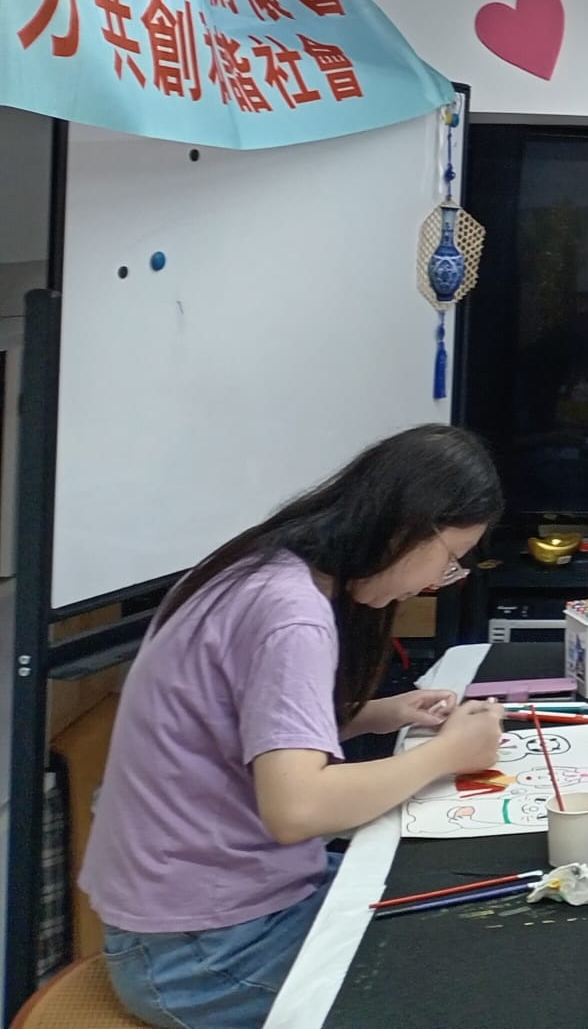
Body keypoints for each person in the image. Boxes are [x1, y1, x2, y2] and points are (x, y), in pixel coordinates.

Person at [81, 426, 509, 1028]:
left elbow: (236, 728)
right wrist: (446, 755)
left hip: (198, 915)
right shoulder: (293, 614)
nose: (434, 584)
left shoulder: (257, 566)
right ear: (407, 528)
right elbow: (298, 807)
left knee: (452, 900)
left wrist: (378, 713)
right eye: (450, 559)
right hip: (202, 952)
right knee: (464, 979)